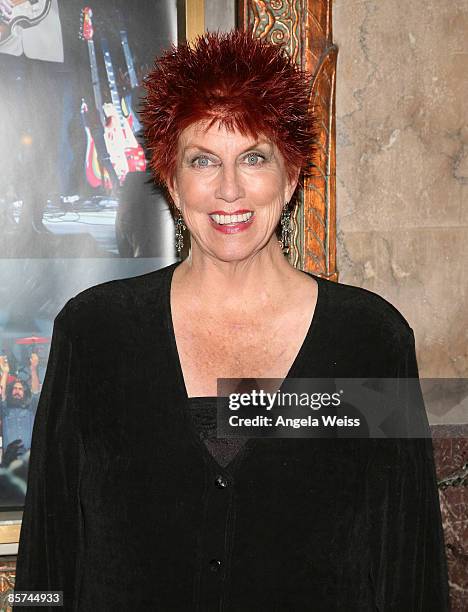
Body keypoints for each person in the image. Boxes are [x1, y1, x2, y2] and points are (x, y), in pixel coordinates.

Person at [14, 31, 449, 611]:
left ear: (291, 177)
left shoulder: (371, 340)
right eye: (202, 160)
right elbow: (47, 549)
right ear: (170, 181)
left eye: (253, 157)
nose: (228, 189)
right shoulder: (94, 334)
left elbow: (409, 564)